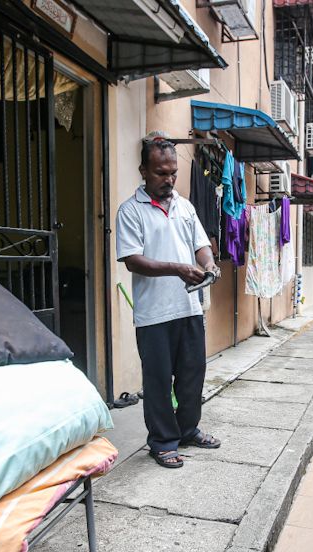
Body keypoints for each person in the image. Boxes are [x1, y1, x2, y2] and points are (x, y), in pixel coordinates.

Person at [116, 134, 222, 469]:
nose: (169, 179)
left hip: (189, 307)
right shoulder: (131, 211)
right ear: (143, 171)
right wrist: (177, 268)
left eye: (173, 172)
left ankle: (187, 429)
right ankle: (162, 442)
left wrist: (208, 264)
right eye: (161, 172)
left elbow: (201, 245)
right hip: (153, 314)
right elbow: (132, 260)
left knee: (192, 375)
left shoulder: (186, 206)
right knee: (158, 382)